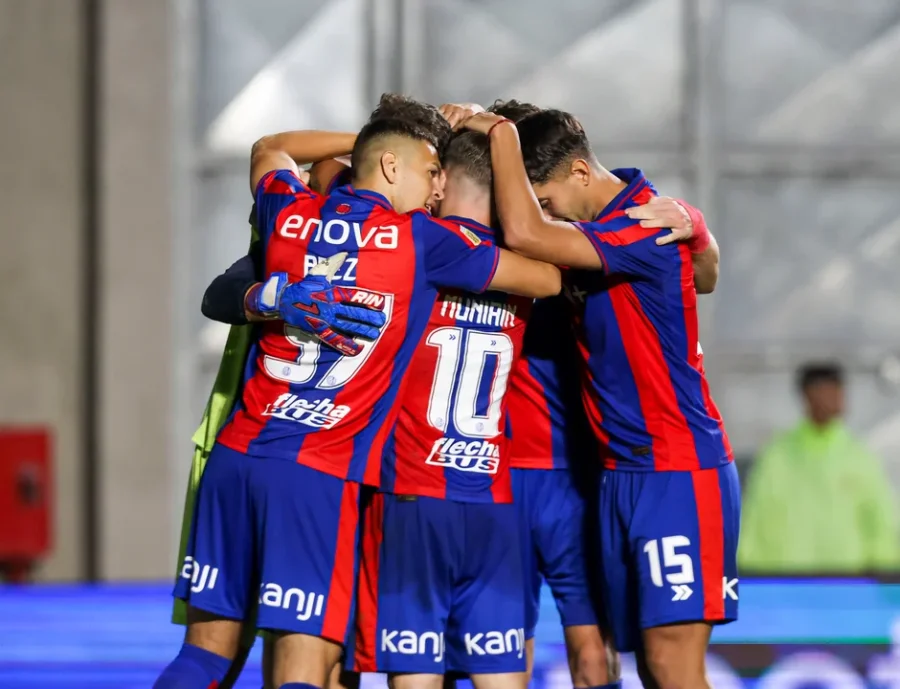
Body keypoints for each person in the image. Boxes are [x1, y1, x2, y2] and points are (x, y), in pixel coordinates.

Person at [155, 93, 563, 689]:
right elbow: (547, 276)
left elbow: (271, 148)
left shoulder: (289, 213)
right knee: (305, 667)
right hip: (319, 473)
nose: (435, 188)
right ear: (394, 167)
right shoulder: (422, 240)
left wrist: (376, 136)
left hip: (237, 454)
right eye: (429, 171)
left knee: (205, 657)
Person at [459, 107, 737, 689]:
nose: (544, 214)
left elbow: (528, 233)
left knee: (673, 666)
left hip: (676, 470)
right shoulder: (604, 230)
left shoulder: (641, 223)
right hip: (620, 474)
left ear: (580, 174)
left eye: (547, 199)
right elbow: (703, 274)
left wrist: (502, 133)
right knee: (647, 668)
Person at [740, 361, 900, 573]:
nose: (837, 399)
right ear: (808, 395)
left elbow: (879, 521)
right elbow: (754, 522)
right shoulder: (777, 457)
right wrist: (747, 574)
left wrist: (887, 575)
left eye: (839, 391)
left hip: (849, 584)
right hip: (787, 583)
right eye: (827, 391)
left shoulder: (858, 456)